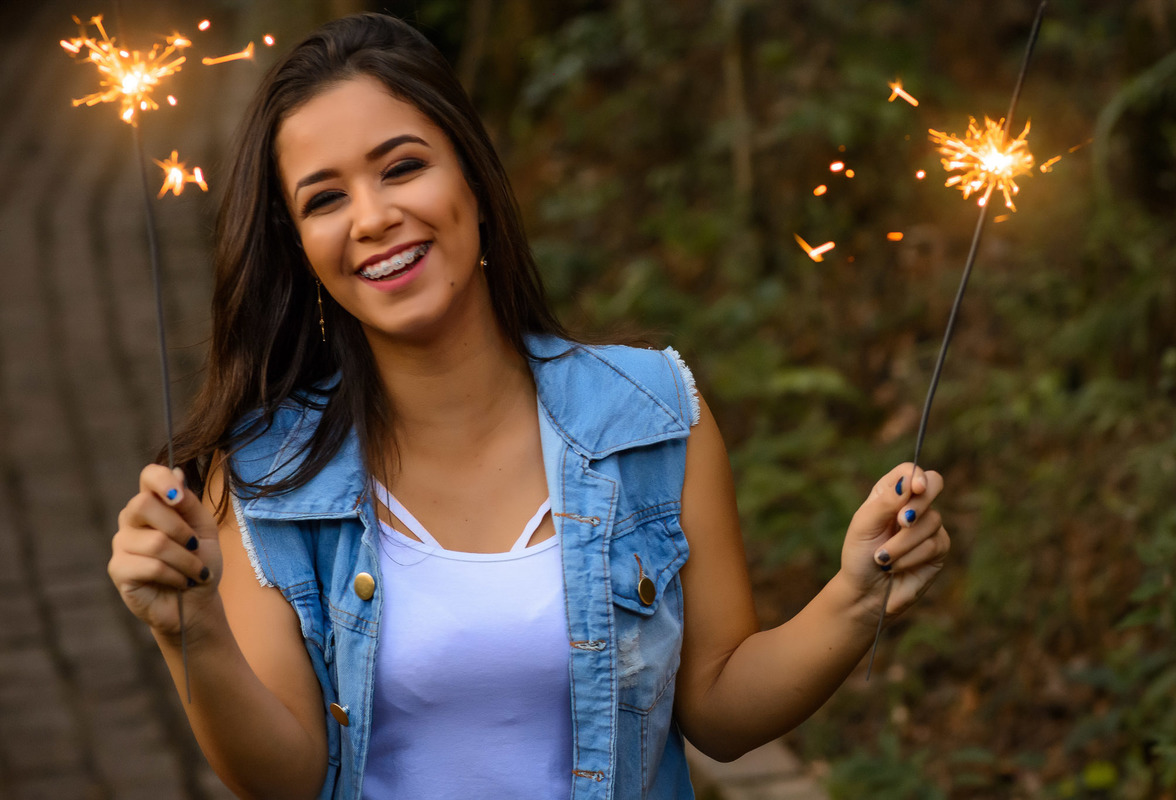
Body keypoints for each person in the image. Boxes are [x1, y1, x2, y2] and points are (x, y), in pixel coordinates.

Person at [108, 12, 951, 800]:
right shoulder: (263, 475)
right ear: (300, 248)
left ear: (472, 178)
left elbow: (721, 709)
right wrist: (191, 631)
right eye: (325, 198)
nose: (373, 216)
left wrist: (854, 596)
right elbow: (286, 778)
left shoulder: (652, 414)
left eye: (403, 166)